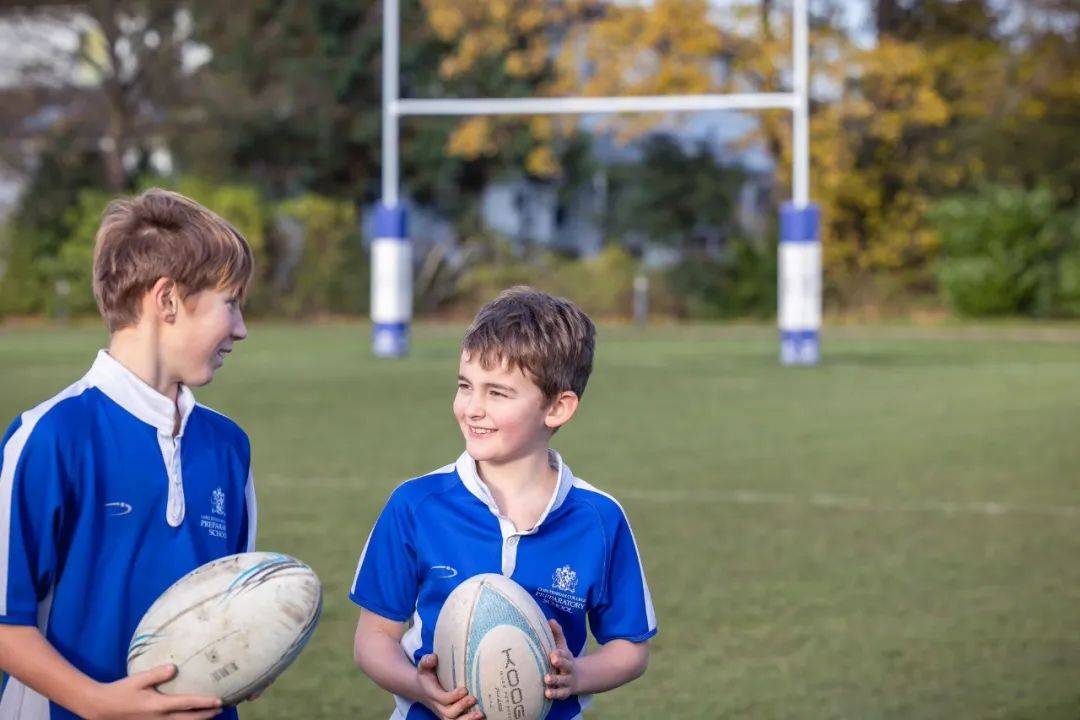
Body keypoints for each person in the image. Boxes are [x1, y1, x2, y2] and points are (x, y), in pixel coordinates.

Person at [0, 189, 257, 720]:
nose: (241, 328)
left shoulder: (229, 447)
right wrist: (97, 702)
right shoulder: (49, 438)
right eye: (229, 302)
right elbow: (7, 624)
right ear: (166, 300)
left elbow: (232, 615)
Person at [351, 286, 656, 720]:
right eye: (465, 386)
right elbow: (373, 640)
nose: (473, 408)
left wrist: (579, 676)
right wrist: (419, 687)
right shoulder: (417, 505)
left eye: (497, 393)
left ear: (557, 408)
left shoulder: (598, 519)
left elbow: (630, 648)